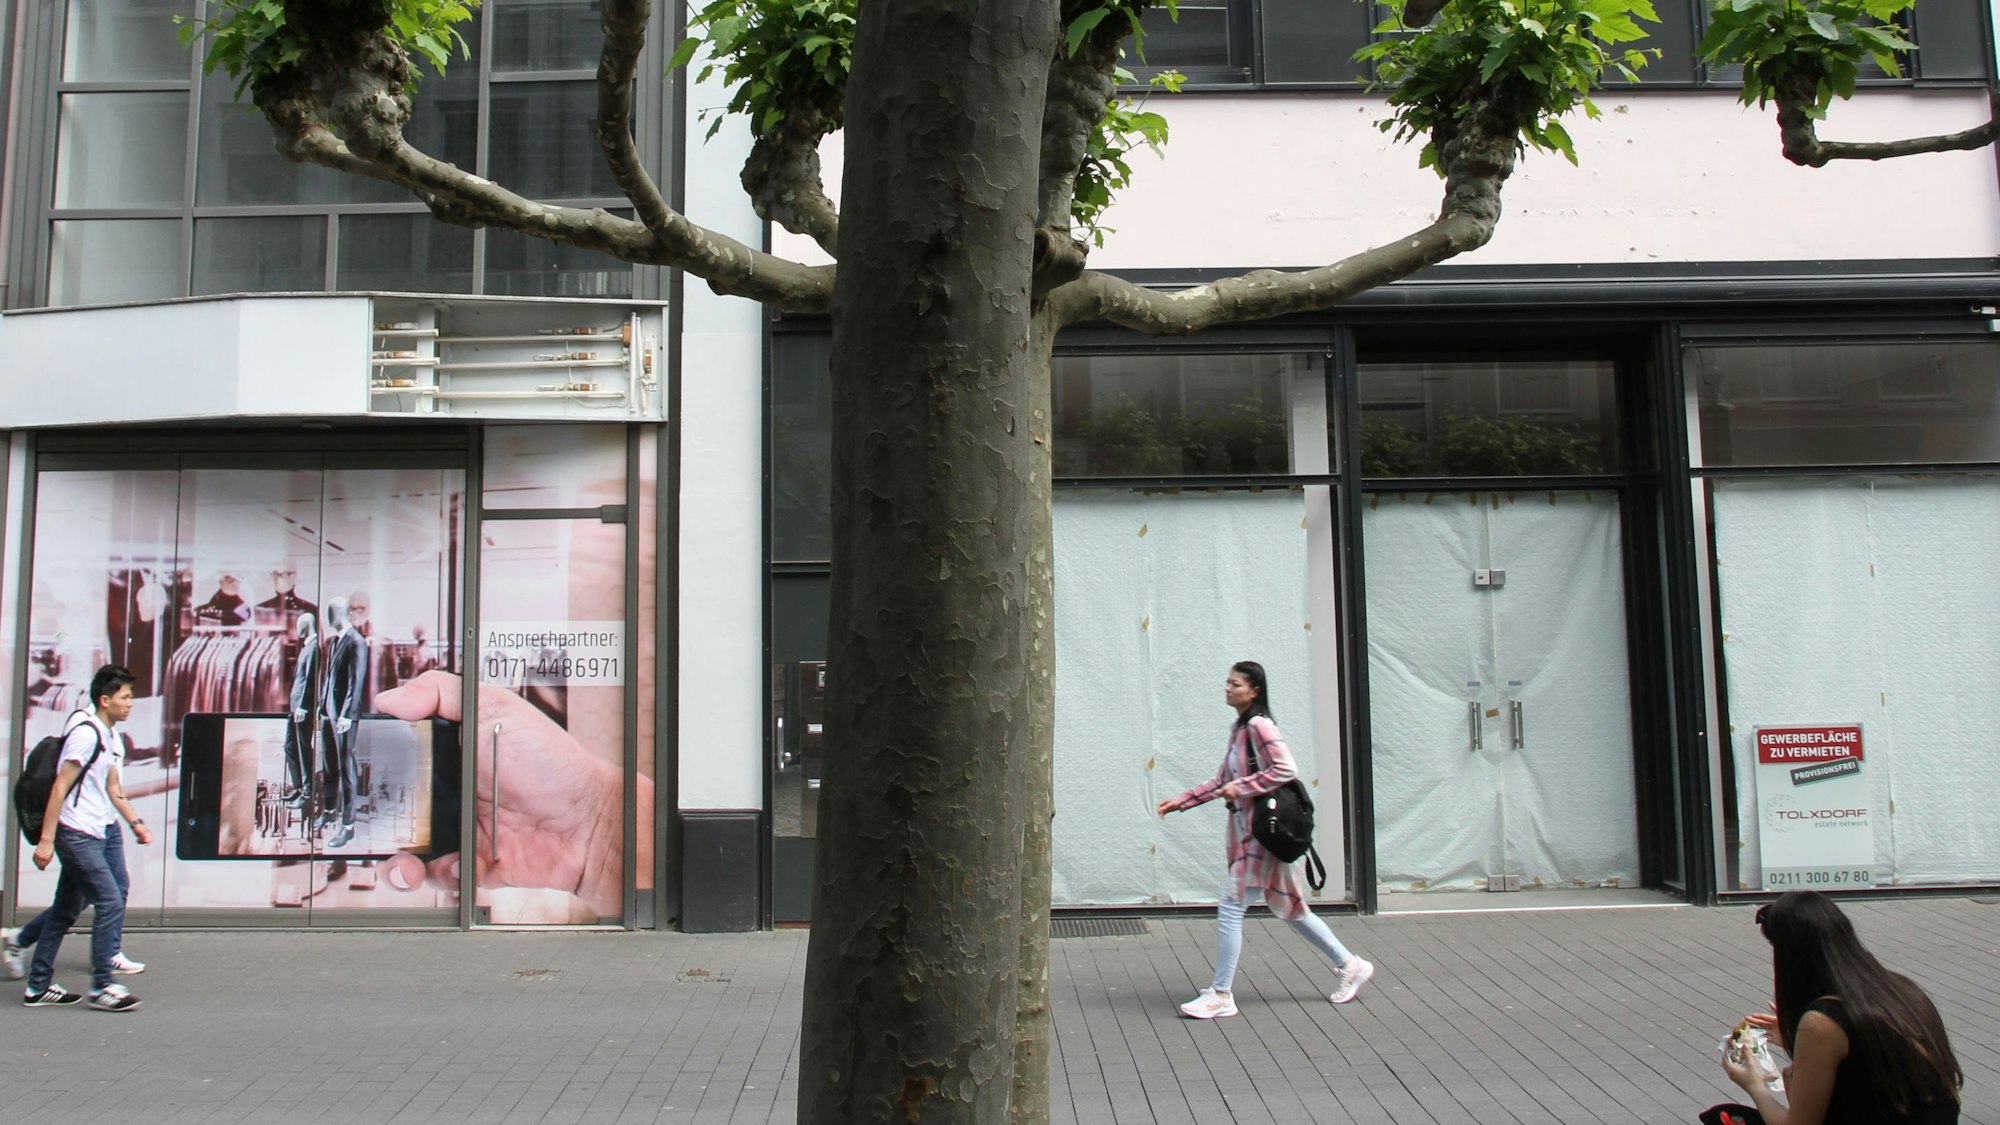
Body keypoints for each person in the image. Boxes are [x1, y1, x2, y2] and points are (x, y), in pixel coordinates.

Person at [1157, 660, 1373, 1019]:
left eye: (1236, 684)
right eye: (1227, 682)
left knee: (1230, 904)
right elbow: (1221, 780)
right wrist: (1184, 801)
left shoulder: (1259, 725)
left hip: (1263, 836)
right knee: (1291, 909)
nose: (1228, 688)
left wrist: (1240, 787)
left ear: (1254, 690)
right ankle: (1351, 965)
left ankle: (1221, 993)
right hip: (1258, 836)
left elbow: (1286, 769)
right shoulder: (1239, 728)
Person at [1710, 890, 1962, 1125]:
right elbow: (1870, 1064)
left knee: (1723, 1118)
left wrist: (1754, 1085)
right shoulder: (1901, 990)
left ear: (1792, 957)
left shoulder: (1823, 1022)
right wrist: (1794, 1041)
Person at [17, 665, 148, 1011]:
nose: (131, 703)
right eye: (126, 697)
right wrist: (46, 842)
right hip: (77, 834)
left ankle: (38, 987)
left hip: (95, 832)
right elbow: (60, 788)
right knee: (110, 900)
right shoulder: (86, 734)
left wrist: (136, 823)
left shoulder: (108, 734)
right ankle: (103, 986)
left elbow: (111, 786)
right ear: (105, 700)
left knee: (65, 910)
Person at [319, 597, 364, 849]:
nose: (328, 617)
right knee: (329, 767)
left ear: (344, 614)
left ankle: (348, 826)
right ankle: (328, 811)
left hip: (344, 715)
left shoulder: (356, 642)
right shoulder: (334, 642)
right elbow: (328, 677)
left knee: (346, 768)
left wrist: (347, 713)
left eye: (332, 612)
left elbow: (355, 682)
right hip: (329, 712)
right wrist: (320, 706)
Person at [283, 611, 322, 806]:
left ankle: (308, 792)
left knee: (303, 746)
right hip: (294, 707)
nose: (297, 629)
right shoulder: (306, 647)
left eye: (299, 624)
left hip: (301, 708)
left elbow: (310, 680)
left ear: (308, 624)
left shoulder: (315, 648)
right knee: (290, 746)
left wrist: (304, 706)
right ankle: (298, 787)